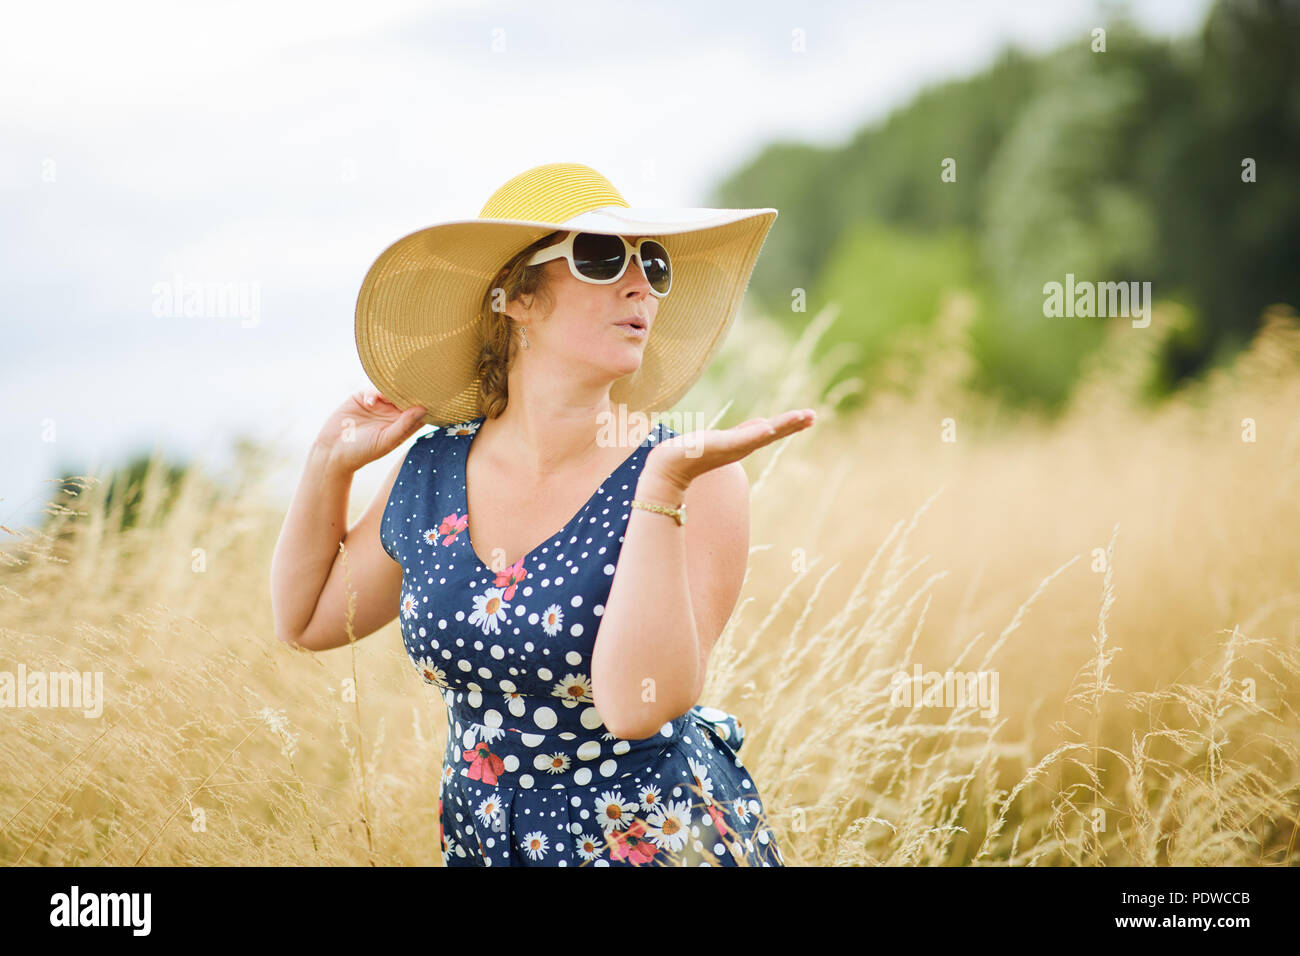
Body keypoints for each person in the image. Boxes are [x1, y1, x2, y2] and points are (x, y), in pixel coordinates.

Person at [270, 162, 815, 866]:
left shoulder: (696, 479)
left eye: (654, 264)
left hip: (655, 843)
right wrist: (327, 463)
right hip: (483, 842)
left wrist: (660, 489)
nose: (640, 283)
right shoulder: (434, 470)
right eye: (601, 257)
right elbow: (307, 619)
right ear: (517, 298)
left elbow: (639, 706)